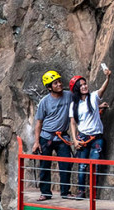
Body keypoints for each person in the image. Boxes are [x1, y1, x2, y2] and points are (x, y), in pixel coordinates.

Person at [68, 68, 111, 199]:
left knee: (95, 166)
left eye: (85, 84)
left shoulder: (93, 97)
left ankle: (93, 193)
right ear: (76, 89)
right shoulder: (74, 105)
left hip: (97, 137)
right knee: (82, 166)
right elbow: (73, 123)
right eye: (80, 85)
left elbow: (102, 90)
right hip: (83, 137)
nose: (84, 86)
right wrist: (75, 140)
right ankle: (81, 191)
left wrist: (108, 78)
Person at [33, 70, 74, 200]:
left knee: (66, 164)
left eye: (59, 82)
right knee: (45, 165)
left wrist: (98, 105)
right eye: (55, 83)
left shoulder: (69, 96)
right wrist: (36, 142)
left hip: (62, 136)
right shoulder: (44, 102)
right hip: (47, 136)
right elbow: (39, 123)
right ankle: (45, 192)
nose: (59, 84)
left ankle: (65, 192)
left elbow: (83, 102)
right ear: (49, 87)